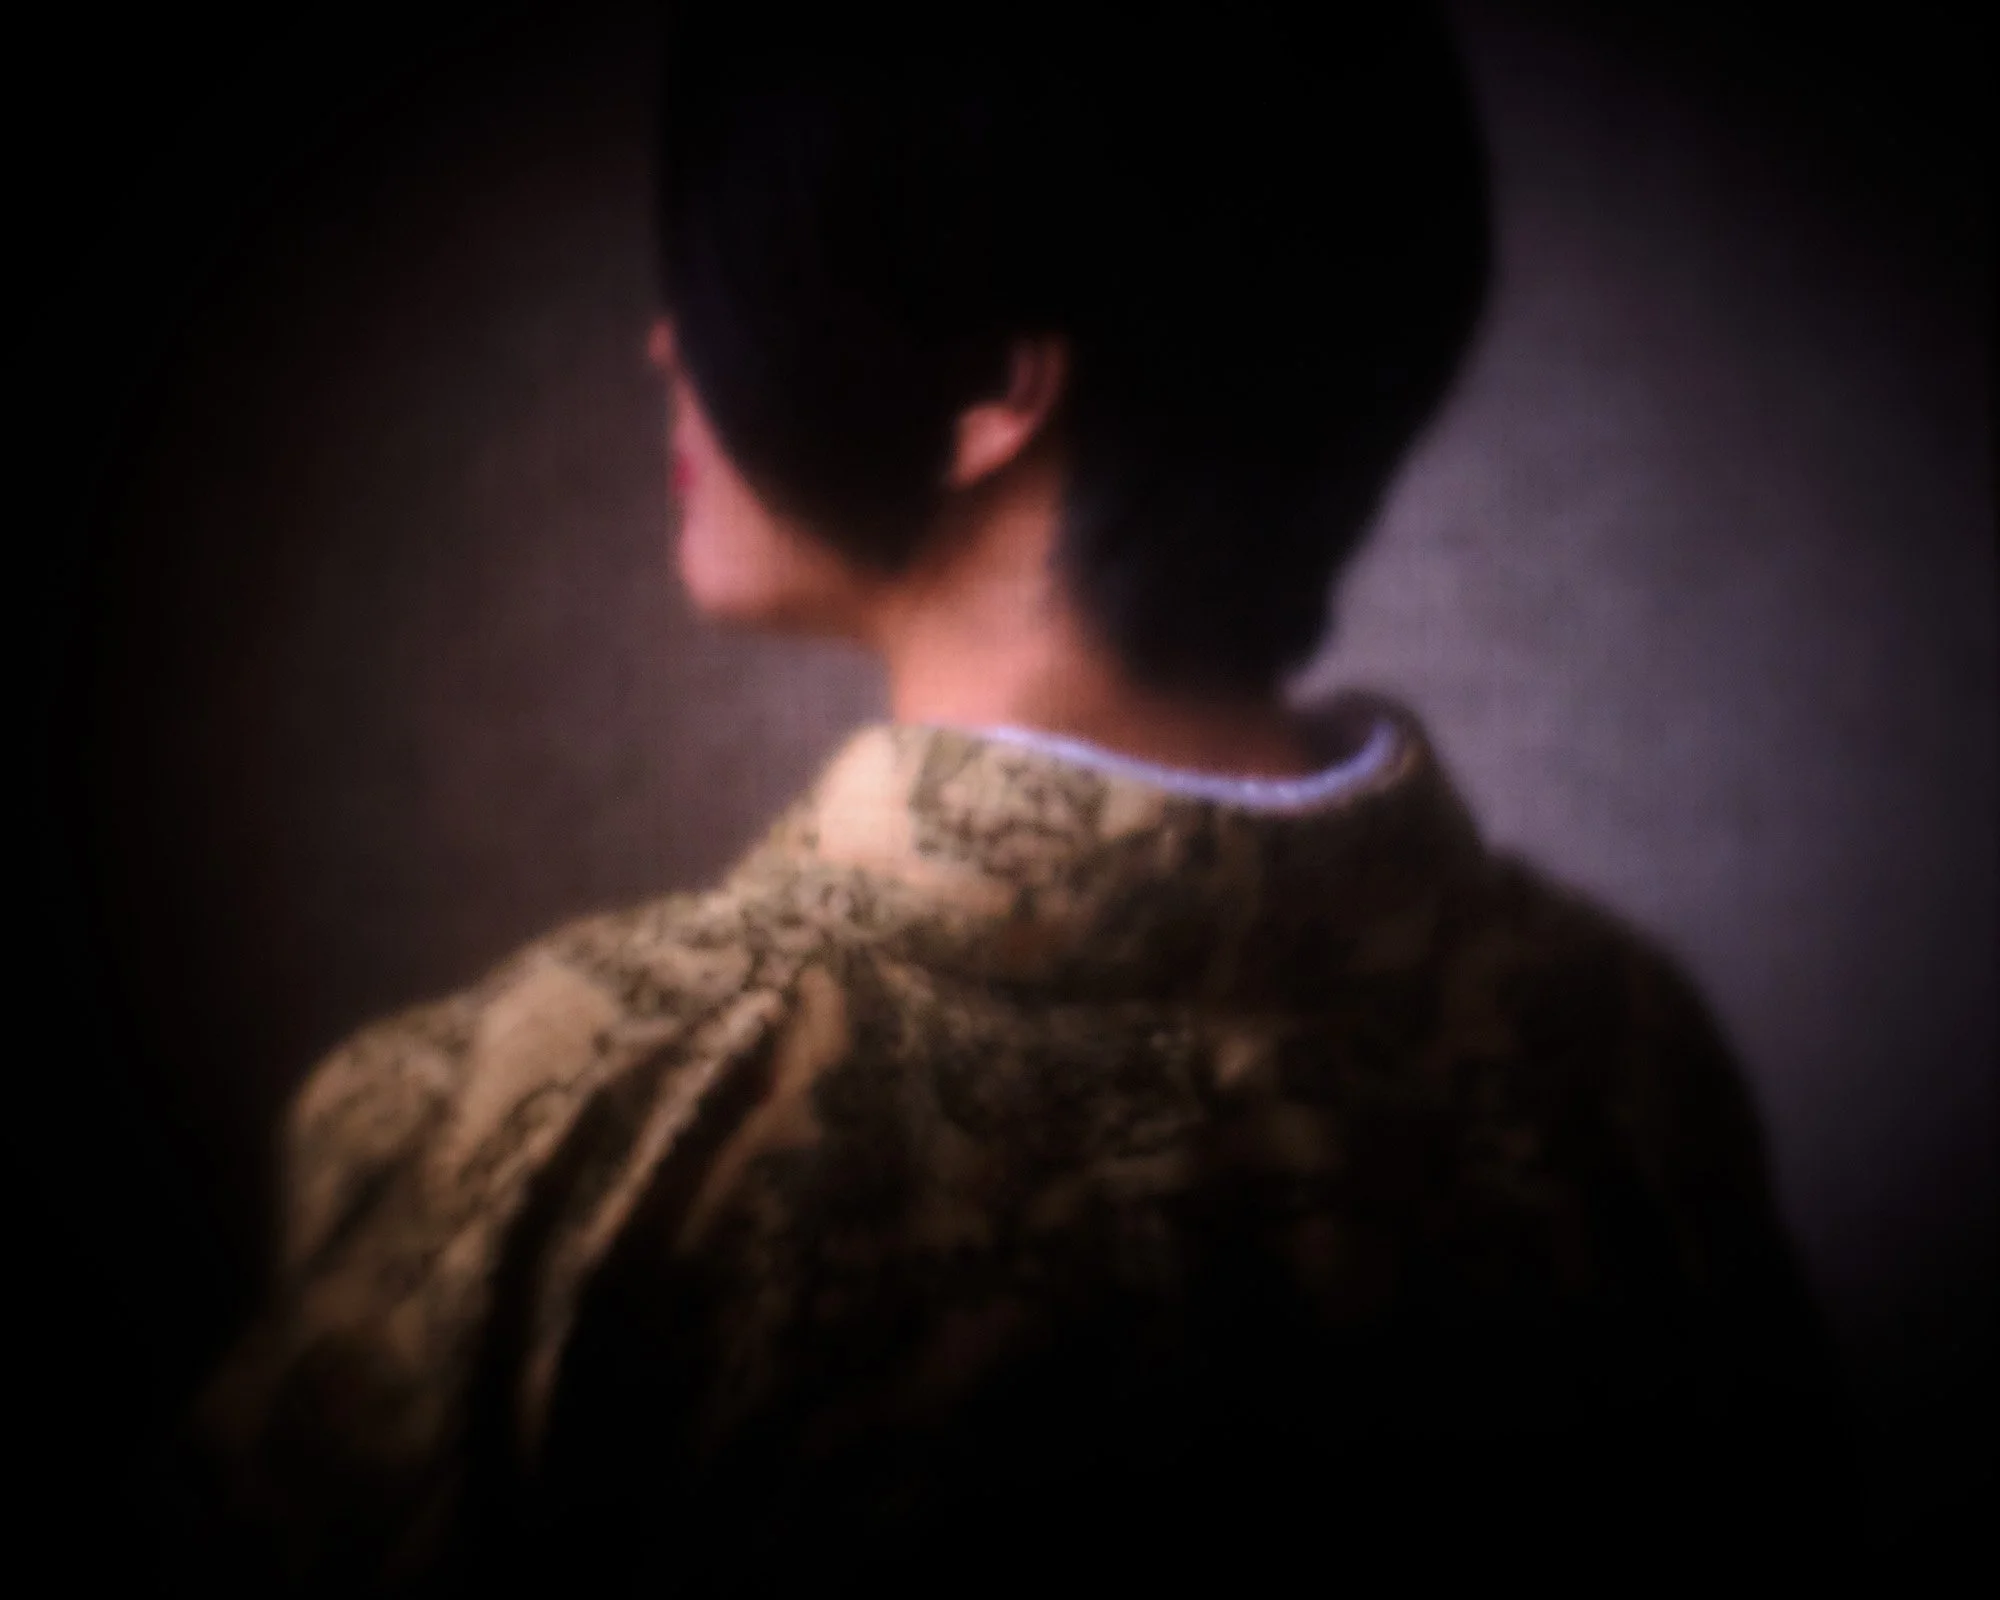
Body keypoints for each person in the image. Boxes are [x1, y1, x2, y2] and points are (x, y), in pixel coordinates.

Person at [165, 2, 1858, 1591]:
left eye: (725, 275)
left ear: (989, 378)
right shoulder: (1613, 1051)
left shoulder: (571, 1123)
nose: (667, 342)